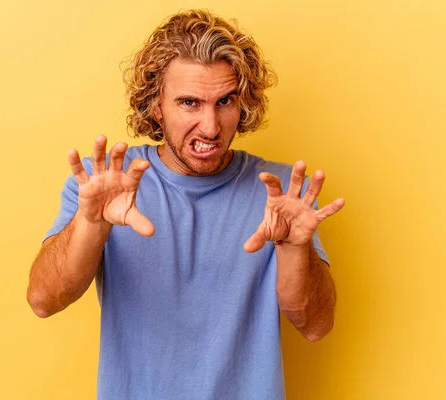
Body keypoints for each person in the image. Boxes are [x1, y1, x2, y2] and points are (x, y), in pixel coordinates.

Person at [27, 9, 345, 400]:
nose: (211, 127)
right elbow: (43, 301)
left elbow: (315, 325)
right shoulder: (105, 186)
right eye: (190, 103)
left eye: (225, 101)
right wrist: (91, 224)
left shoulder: (278, 194)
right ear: (155, 105)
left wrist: (295, 247)